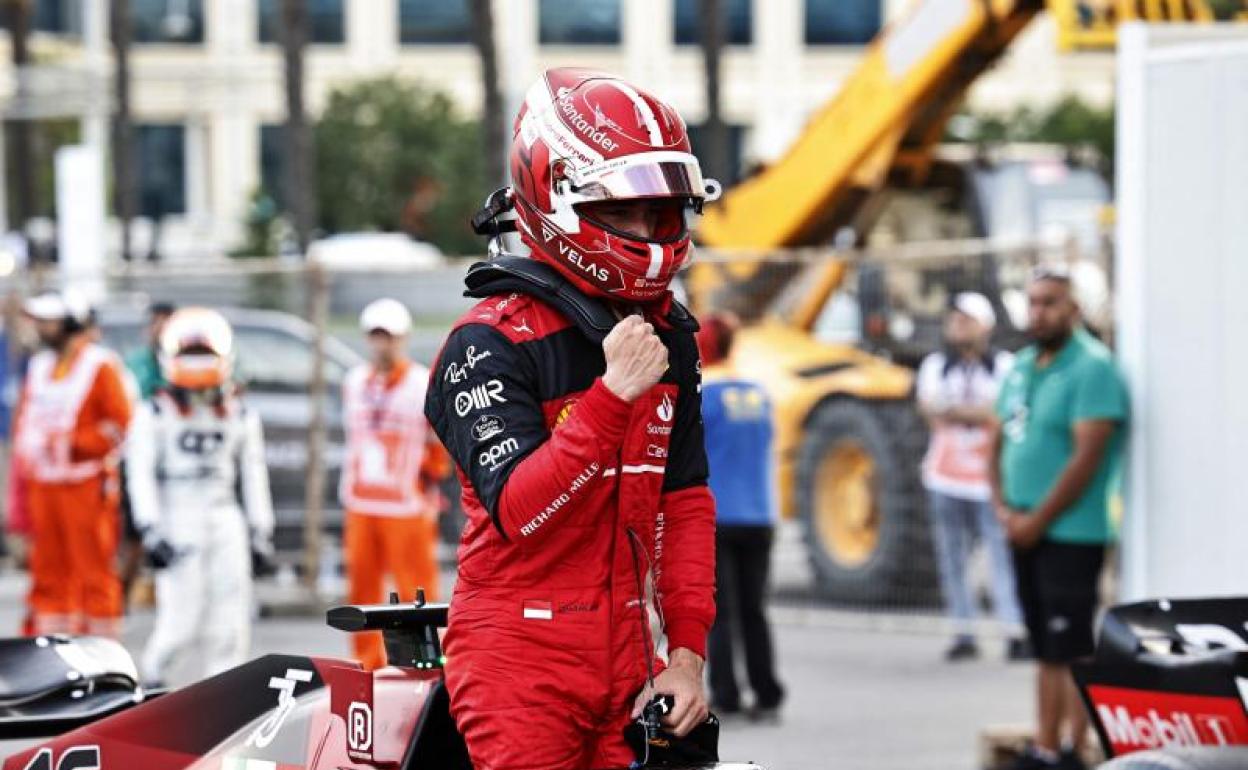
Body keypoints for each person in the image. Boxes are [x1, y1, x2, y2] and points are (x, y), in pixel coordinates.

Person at [423, 68, 721, 770]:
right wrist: (612, 397)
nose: (647, 232)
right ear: (555, 198)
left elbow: (685, 505)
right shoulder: (485, 343)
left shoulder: (669, 334)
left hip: (631, 661)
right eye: (621, 212)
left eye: (661, 212)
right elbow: (523, 512)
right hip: (518, 666)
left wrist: (686, 657)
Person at [992, 267, 1128, 770]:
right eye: (1032, 302)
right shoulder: (1023, 365)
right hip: (1022, 527)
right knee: (1044, 648)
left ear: (1074, 308)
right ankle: (1046, 745)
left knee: (1069, 646)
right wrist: (1003, 508)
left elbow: (1086, 458)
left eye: (1050, 302)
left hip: (1071, 531)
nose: (1038, 312)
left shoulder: (1093, 368)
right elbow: (998, 438)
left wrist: (1037, 519)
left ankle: (1076, 746)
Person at [125, 307, 274, 684]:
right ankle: (155, 693)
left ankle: (223, 709)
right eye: (189, 354)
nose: (196, 363)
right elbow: (139, 473)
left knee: (230, 624)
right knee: (179, 622)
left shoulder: (238, 413)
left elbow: (253, 473)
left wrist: (260, 532)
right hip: (178, 516)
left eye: (202, 353)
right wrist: (150, 529)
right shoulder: (154, 412)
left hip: (225, 516)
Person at [10, 289, 132, 636]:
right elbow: (27, 420)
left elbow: (119, 425)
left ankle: (103, 651)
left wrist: (73, 445)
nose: (42, 328)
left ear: (70, 322)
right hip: (44, 484)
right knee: (47, 572)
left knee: (93, 570)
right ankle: (51, 649)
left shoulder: (100, 365)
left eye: (49, 321)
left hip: (85, 484)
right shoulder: (40, 365)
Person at [916, 292, 1027, 662]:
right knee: (953, 556)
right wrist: (977, 412)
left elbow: (1005, 414)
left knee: (1001, 555)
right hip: (945, 477)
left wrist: (960, 411)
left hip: (989, 479)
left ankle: (1013, 629)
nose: (959, 326)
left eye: (967, 320)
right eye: (954, 319)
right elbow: (931, 408)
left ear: (986, 325)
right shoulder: (936, 366)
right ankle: (963, 631)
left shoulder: (1006, 366)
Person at [341, 297, 450, 671]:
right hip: (362, 503)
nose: (381, 344)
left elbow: (439, 441)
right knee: (362, 590)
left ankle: (424, 663)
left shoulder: (421, 383)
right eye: (375, 336)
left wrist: (432, 480)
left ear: (402, 339)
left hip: (408, 506)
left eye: (387, 337)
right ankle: (368, 664)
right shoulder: (354, 382)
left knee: (414, 589)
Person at [697, 313, 786, 722]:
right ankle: (767, 692)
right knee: (755, 609)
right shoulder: (758, 393)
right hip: (759, 514)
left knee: (721, 613)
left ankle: (727, 694)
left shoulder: (702, 397)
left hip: (717, 515)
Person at [125, 302, 175, 401]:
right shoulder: (135, 360)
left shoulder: (185, 359)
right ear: (147, 328)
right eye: (155, 322)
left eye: (167, 322)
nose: (161, 327)